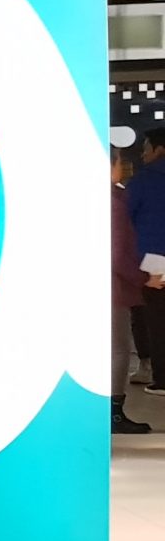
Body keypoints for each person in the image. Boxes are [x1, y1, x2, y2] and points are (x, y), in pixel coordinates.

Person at [118, 142, 155, 434]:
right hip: (122, 282)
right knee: (118, 350)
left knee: (122, 346)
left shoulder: (125, 194)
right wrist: (142, 278)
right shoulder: (113, 200)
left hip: (129, 277)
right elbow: (116, 253)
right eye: (119, 160)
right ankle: (114, 413)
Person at [128, 130, 165, 396]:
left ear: (159, 150)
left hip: (153, 263)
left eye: (146, 149)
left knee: (153, 319)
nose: (143, 154)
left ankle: (158, 376)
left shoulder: (143, 181)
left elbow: (124, 220)